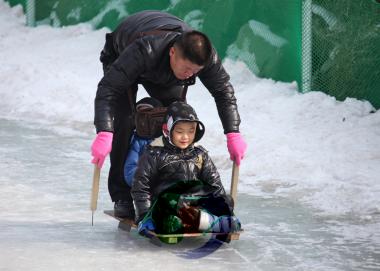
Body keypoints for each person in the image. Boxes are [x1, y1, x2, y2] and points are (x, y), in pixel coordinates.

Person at [91, 10, 247, 220]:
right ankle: (123, 195)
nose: (190, 75)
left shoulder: (205, 57)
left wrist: (233, 133)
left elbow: (224, 92)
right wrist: (104, 131)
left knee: (175, 121)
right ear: (173, 52)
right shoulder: (145, 50)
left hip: (162, 68)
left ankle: (169, 189)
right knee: (125, 121)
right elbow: (108, 89)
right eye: (187, 69)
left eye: (195, 71)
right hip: (122, 54)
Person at [131, 102, 241, 238]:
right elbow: (141, 186)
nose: (185, 137)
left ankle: (212, 221)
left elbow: (215, 184)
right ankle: (189, 222)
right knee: (172, 204)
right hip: (168, 205)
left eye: (191, 131)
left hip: (194, 203)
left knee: (226, 200)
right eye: (179, 131)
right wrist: (144, 215)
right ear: (167, 130)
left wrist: (225, 208)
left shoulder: (200, 155)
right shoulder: (155, 154)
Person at [123, 97, 163, 187]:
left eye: (148, 116)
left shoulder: (168, 139)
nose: (143, 122)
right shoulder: (137, 142)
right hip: (147, 188)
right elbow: (130, 171)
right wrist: (144, 178)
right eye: (141, 116)